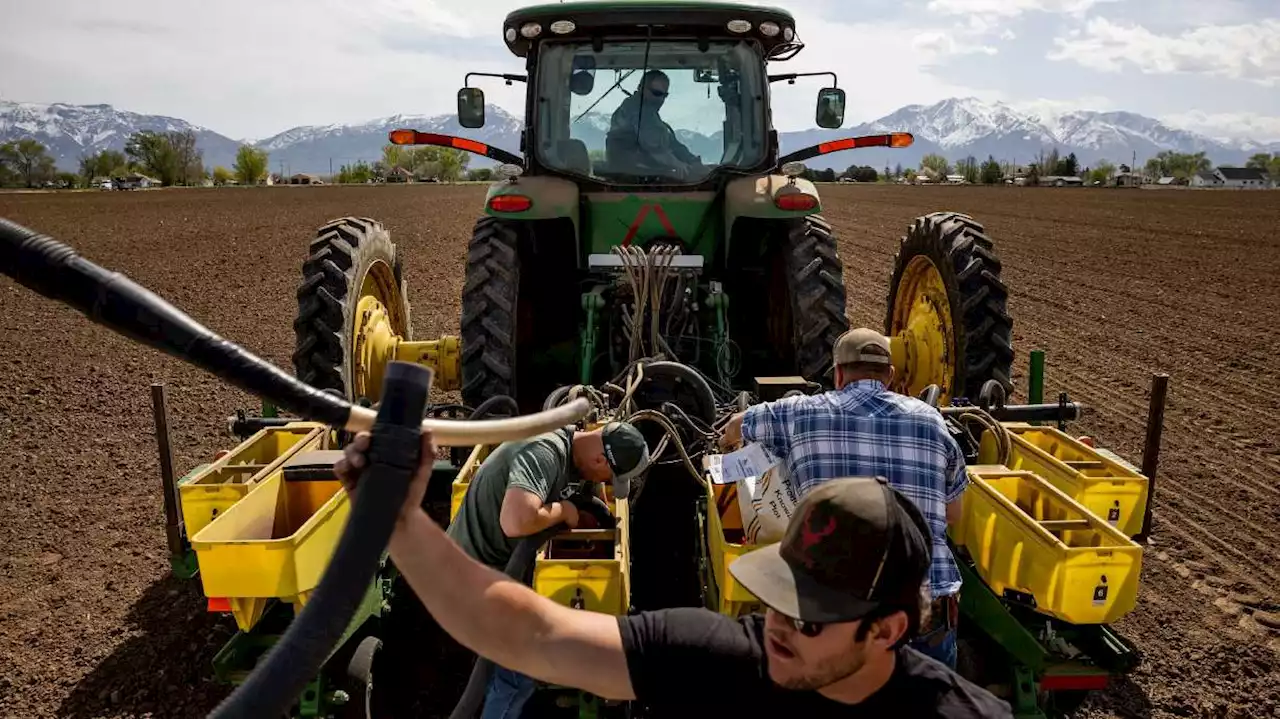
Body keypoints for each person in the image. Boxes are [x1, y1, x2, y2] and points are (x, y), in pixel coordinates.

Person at [335, 433, 1012, 717]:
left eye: (807, 616)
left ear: (887, 629)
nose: (775, 625)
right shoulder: (718, 658)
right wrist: (399, 521)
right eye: (775, 593)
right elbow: (528, 633)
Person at [719, 328, 969, 669]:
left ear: (838, 374)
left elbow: (737, 427)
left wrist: (725, 443)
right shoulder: (933, 423)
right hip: (922, 611)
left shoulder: (797, 413)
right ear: (891, 375)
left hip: (832, 612)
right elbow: (952, 512)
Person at [444, 420, 651, 719]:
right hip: (467, 576)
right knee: (519, 669)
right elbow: (515, 521)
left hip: (499, 569)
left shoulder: (577, 452)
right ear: (599, 459)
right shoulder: (544, 452)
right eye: (610, 476)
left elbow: (592, 498)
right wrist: (564, 511)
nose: (607, 484)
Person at [607, 69, 703, 180]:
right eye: (657, 93)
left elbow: (674, 145)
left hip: (645, 175)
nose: (661, 99)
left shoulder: (653, 118)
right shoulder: (637, 109)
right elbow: (655, 147)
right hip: (632, 179)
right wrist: (678, 164)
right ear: (641, 88)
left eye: (664, 95)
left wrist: (693, 161)